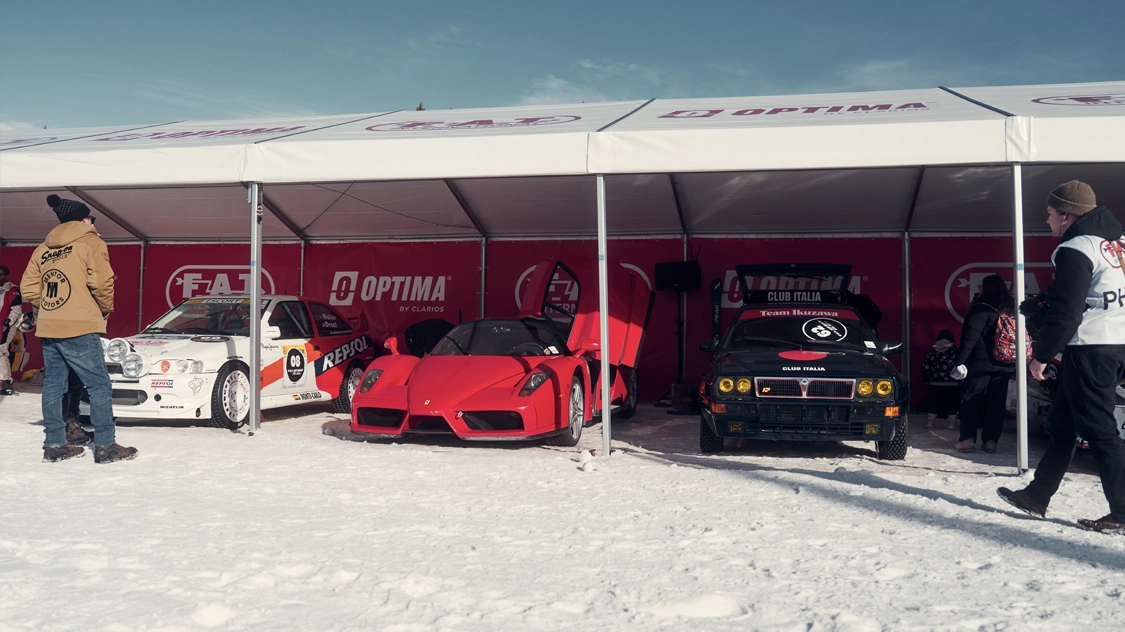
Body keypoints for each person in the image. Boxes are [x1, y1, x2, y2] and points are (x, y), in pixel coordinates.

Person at [998, 180, 1125, 534]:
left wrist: (1041, 355)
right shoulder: (1116, 242)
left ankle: (1123, 512)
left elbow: (1069, 313)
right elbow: (1093, 296)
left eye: (1051, 213)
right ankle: (1037, 495)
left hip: (1091, 347)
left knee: (1100, 431)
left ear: (1067, 215)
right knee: (1064, 425)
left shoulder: (1076, 247)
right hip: (1114, 342)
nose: (1047, 219)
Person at [20, 195, 137, 464]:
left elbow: (28, 288)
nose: (92, 222)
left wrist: (50, 305)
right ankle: (106, 445)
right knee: (98, 385)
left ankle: (54, 444)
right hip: (81, 323)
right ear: (84, 219)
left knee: (53, 387)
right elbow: (102, 282)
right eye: (91, 218)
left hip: (49, 325)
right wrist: (103, 309)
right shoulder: (91, 242)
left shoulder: (43, 249)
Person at [950, 274, 1016, 453]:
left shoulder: (981, 308)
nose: (978, 289)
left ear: (986, 288)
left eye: (980, 286)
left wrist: (959, 361)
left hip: (981, 363)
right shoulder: (1010, 307)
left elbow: (970, 337)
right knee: (996, 403)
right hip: (1004, 362)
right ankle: (991, 441)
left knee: (970, 399)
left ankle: (968, 439)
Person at [919, 329, 960, 430]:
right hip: (952, 384)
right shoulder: (956, 351)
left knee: (933, 403)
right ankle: (951, 424)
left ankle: (930, 422)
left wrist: (927, 380)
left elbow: (926, 367)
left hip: (934, 383)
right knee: (952, 404)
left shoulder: (931, 352)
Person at [0, 265, 22, 395]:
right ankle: (7, 381)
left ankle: (3, 382)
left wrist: (7, 323)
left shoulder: (12, 288)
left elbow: (17, 309)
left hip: (6, 326)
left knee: (1, 351)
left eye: (1, 275)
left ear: (6, 276)